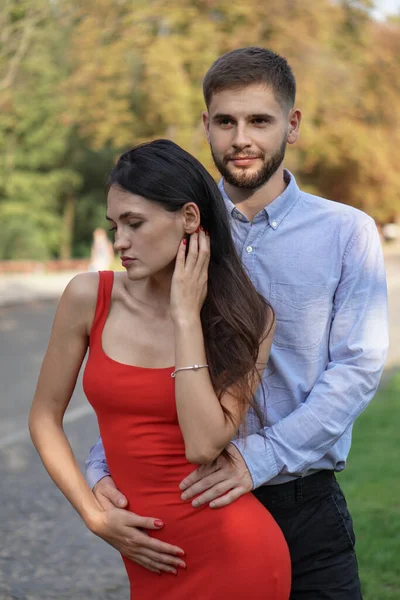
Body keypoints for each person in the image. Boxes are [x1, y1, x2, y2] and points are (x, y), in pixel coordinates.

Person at [86, 47, 389, 599]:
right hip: (191, 507)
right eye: (225, 121)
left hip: (305, 507)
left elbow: (357, 369)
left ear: (291, 126)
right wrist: (101, 467)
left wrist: (257, 459)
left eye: (259, 121)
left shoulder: (348, 233)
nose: (240, 138)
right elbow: (138, 355)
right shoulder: (172, 227)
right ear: (206, 124)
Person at [29, 139, 291, 599]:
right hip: (149, 561)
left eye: (135, 223)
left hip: (236, 558)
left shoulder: (249, 318)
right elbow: (43, 418)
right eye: (114, 226)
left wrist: (185, 317)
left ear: (189, 218)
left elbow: (203, 443)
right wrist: (93, 515)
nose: (119, 242)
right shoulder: (89, 298)